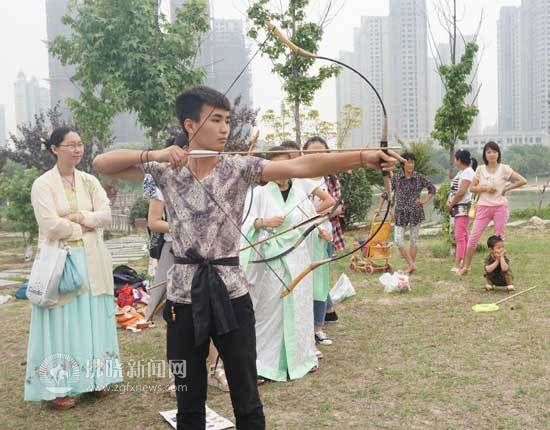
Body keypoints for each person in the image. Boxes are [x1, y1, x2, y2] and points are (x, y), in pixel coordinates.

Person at [92, 85, 399, 429]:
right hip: (182, 296)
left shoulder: (240, 167)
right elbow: (102, 163)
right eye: (216, 120)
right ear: (190, 125)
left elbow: (301, 165)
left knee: (246, 398)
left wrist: (362, 158)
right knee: (188, 399)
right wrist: (158, 155)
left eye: (228, 121)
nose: (225, 129)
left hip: (231, 293)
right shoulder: (167, 169)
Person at [25, 127, 122, 410]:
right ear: (54, 149)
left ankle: (97, 379)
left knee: (94, 318)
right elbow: (49, 224)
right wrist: (84, 227)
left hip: (93, 260)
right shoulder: (42, 184)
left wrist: (79, 217)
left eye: (80, 144)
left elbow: (106, 215)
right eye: (70, 145)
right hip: (61, 263)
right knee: (62, 324)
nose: (77, 149)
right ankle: (57, 388)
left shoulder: (90, 181)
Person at [143, 137, 229, 393]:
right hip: (179, 256)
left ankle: (214, 371)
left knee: (215, 314)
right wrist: (182, 227)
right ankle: (179, 377)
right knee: (181, 320)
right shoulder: (165, 179)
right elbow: (153, 221)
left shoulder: (216, 178)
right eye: (187, 150)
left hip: (213, 258)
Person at [241, 147, 321, 382]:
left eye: (285, 166)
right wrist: (263, 222)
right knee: (268, 310)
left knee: (299, 308)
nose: (281, 173)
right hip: (270, 260)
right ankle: (263, 365)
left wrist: (319, 230)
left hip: (298, 259)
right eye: (275, 167)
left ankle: (302, 359)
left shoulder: (299, 194)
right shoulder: (259, 193)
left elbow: (309, 221)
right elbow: (244, 222)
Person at [459, 142, 527, 276]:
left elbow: (522, 180)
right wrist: (485, 188)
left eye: (494, 151)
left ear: (498, 153)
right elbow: (472, 188)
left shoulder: (504, 168)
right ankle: (466, 267)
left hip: (500, 208)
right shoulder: (480, 169)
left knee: (499, 239)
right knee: (473, 238)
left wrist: (506, 189)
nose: (492, 154)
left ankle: (500, 269)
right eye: (489, 152)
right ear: (485, 154)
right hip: (483, 207)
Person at [391, 152, 436, 273]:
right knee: (398, 239)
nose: (411, 164)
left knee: (413, 240)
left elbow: (432, 188)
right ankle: (411, 264)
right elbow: (388, 192)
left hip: (415, 211)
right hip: (400, 212)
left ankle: (411, 267)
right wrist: (381, 209)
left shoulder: (419, 177)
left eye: (412, 162)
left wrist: (424, 201)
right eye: (408, 162)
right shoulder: (395, 177)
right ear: (402, 163)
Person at [446, 149, 477, 272]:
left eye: (455, 158)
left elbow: (462, 192)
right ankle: (465, 261)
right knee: (463, 236)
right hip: (457, 208)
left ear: (459, 160)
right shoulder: (461, 172)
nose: (454, 161)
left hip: (463, 207)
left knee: (459, 236)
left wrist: (452, 203)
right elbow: (454, 191)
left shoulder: (468, 172)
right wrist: (449, 202)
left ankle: (458, 264)